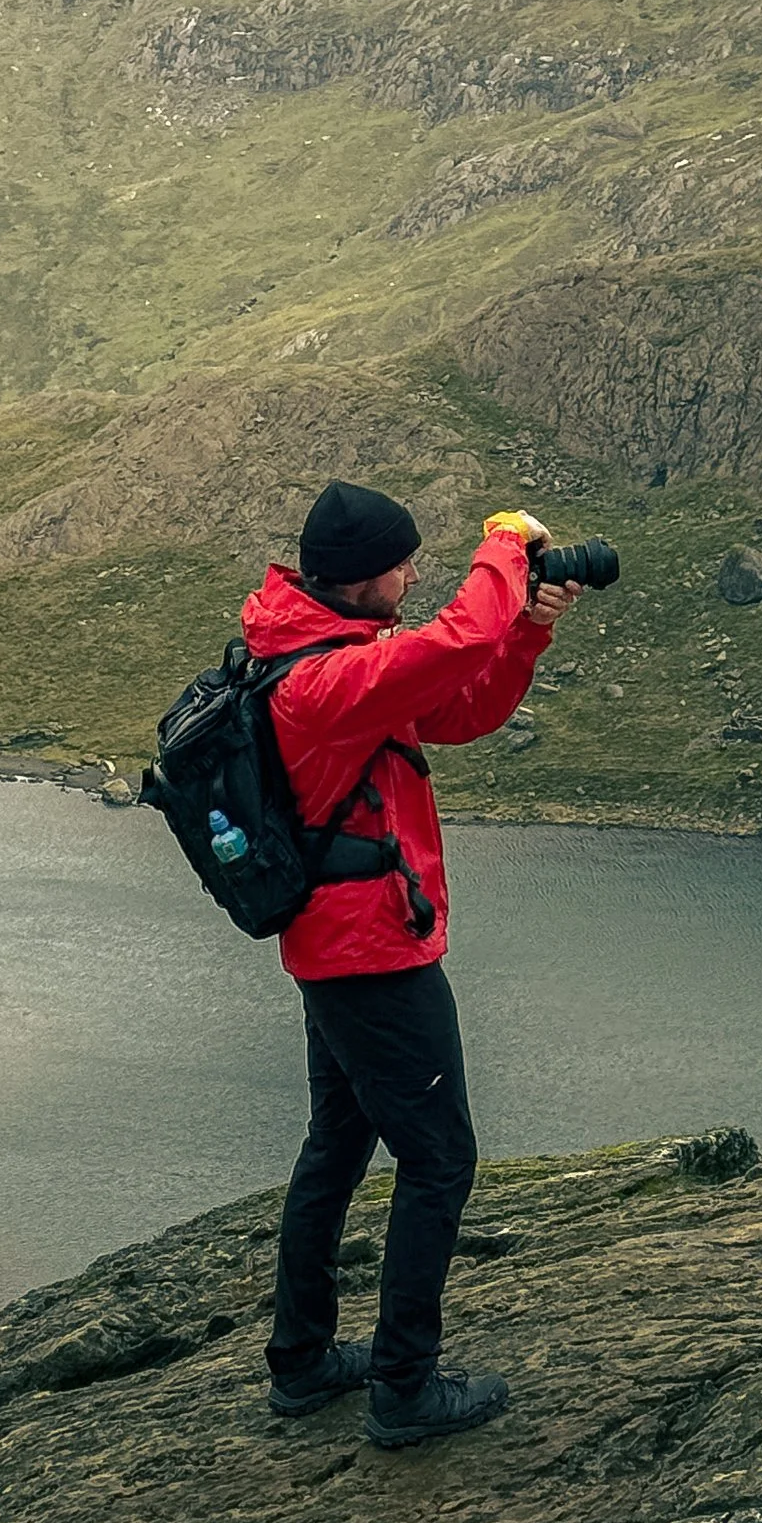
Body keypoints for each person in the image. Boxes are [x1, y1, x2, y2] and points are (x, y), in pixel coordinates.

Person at [248, 479, 579, 1449]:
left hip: (336, 947)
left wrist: (526, 631)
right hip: (372, 956)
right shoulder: (328, 679)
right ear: (359, 578)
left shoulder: (327, 654)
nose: (412, 573)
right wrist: (506, 546)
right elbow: (453, 643)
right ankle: (404, 1387)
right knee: (439, 1161)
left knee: (339, 1148)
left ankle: (303, 1363)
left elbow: (458, 707)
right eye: (400, 561)